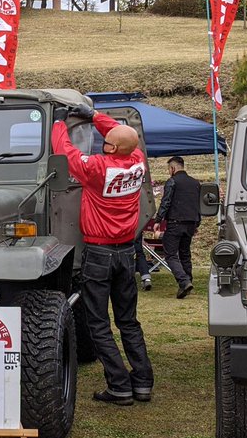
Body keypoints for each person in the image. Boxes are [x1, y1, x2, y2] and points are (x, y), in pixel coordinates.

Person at [52, 103, 154, 405]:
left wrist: (60, 123)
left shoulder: (97, 168)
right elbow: (119, 134)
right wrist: (95, 116)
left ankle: (119, 385)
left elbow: (65, 151)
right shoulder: (137, 161)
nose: (103, 141)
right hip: (126, 254)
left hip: (99, 254)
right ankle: (143, 382)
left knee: (98, 323)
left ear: (112, 149)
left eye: (107, 142)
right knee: (128, 321)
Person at [154, 156, 201, 298]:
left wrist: (158, 219)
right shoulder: (195, 183)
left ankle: (183, 281)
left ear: (173, 168)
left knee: (170, 254)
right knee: (185, 253)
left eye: (169, 169)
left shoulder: (172, 181)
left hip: (175, 223)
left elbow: (166, 201)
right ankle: (187, 282)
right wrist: (196, 222)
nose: (169, 172)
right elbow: (199, 205)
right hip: (191, 223)